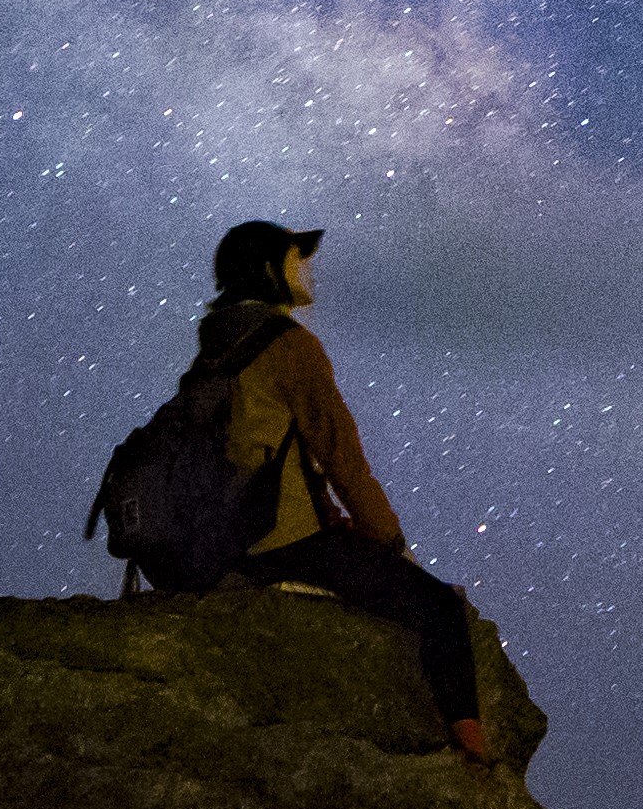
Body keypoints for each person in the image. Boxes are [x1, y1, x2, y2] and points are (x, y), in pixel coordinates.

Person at [182, 219, 504, 768]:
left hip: (221, 542)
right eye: (294, 258)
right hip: (281, 541)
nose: (305, 268)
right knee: (441, 609)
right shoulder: (290, 347)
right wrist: (389, 539)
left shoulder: (216, 346)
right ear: (268, 270)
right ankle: (474, 755)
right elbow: (342, 459)